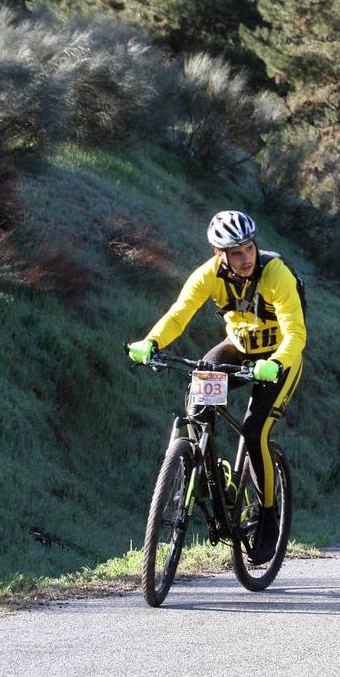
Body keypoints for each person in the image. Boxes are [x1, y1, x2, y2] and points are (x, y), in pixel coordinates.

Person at [127, 210, 307, 566]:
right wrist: (151, 341)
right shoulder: (208, 276)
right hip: (238, 350)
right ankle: (215, 474)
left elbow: (296, 334)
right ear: (219, 254)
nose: (246, 258)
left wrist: (275, 362)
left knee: (255, 433)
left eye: (249, 248)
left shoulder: (275, 274)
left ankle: (268, 517)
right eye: (236, 252)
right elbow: (179, 314)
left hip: (279, 361)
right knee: (197, 398)